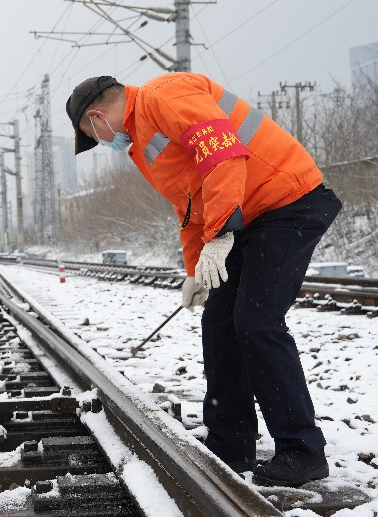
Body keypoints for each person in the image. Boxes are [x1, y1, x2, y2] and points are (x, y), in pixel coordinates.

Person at [66, 73, 342, 487]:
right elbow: (190, 204)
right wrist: (197, 270)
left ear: (97, 116)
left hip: (287, 201)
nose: (103, 142)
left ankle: (302, 451)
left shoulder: (165, 97)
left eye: (93, 134)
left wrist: (221, 234)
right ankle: (231, 444)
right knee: (219, 324)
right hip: (245, 215)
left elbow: (224, 155)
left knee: (256, 322)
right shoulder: (141, 144)